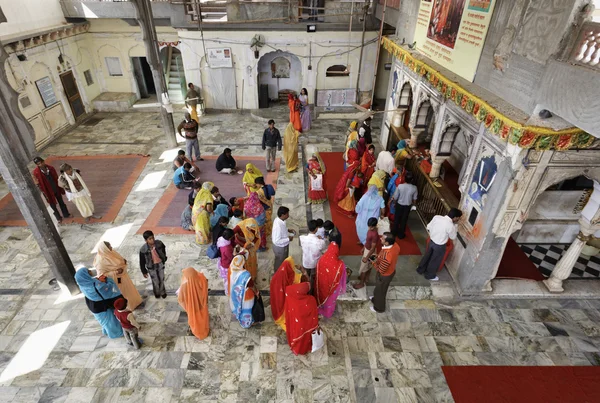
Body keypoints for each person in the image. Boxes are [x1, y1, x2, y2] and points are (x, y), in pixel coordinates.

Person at [74, 267, 123, 339]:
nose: (90, 271)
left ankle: (106, 331)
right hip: (101, 307)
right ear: (85, 275)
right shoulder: (96, 286)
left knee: (104, 320)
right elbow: (109, 290)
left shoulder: (83, 284)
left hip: (93, 305)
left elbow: (95, 282)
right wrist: (108, 280)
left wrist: (98, 280)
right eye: (88, 271)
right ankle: (116, 334)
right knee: (109, 321)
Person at [94, 241, 142, 310]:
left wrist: (123, 261)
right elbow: (101, 276)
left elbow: (119, 258)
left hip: (123, 276)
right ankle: (128, 306)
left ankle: (135, 302)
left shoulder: (110, 252)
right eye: (109, 247)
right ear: (105, 249)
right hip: (117, 279)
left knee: (129, 289)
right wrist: (116, 272)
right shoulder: (100, 261)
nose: (111, 248)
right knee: (124, 292)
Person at [417, 208, 462, 281]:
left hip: (431, 241)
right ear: (455, 217)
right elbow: (453, 237)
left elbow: (428, 226)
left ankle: (420, 269)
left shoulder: (437, 217)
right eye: (458, 218)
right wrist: (455, 227)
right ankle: (429, 275)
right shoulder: (450, 225)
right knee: (435, 260)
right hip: (440, 245)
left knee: (427, 256)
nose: (458, 219)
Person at [270, 256, 304, 331]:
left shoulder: (278, 275)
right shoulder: (289, 277)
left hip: (277, 300)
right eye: (292, 265)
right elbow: (296, 282)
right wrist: (303, 271)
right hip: (284, 301)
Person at [284, 282, 319, 356]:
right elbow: (314, 313)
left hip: (296, 325)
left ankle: (297, 348)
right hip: (308, 325)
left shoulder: (290, 298)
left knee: (298, 338)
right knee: (306, 338)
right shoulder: (311, 299)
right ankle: (305, 349)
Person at [32, 157, 70, 222]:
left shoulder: (51, 168)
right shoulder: (36, 173)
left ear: (44, 161)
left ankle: (66, 214)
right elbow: (37, 182)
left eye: (41, 162)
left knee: (61, 202)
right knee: (52, 205)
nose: (41, 165)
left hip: (56, 188)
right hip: (47, 192)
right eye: (39, 164)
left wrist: (60, 187)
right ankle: (58, 218)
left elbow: (56, 177)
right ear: (37, 165)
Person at [314, 242, 347, 318]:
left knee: (321, 297)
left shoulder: (321, 259)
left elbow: (317, 273)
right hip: (332, 288)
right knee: (330, 301)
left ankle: (320, 308)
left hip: (321, 285)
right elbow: (342, 277)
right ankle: (328, 312)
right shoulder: (340, 264)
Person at [371, 232, 401, 313]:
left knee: (381, 291)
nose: (380, 238)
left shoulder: (387, 256)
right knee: (378, 289)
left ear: (387, 242)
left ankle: (379, 308)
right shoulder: (395, 246)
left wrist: (373, 262)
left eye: (383, 238)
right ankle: (375, 299)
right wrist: (378, 256)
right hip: (391, 270)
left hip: (384, 275)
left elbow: (381, 270)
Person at [177, 267, 209, 339]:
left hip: (193, 307)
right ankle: (204, 329)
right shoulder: (201, 279)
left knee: (195, 320)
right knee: (203, 317)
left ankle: (198, 331)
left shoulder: (185, 286)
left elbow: (181, 299)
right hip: (202, 304)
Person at [228, 247, 256, 328]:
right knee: (247, 308)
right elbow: (250, 285)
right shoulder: (245, 274)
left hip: (236, 295)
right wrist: (256, 292)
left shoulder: (232, 269)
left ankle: (239, 316)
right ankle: (246, 323)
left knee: (239, 307)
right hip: (246, 296)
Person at [139, 230, 168, 299]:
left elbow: (163, 249)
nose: (152, 240)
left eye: (153, 238)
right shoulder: (143, 250)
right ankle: (157, 293)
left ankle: (163, 292)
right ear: (146, 240)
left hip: (160, 264)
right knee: (155, 281)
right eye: (150, 239)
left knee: (161, 279)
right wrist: (144, 271)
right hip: (151, 267)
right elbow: (142, 261)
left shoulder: (159, 244)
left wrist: (164, 257)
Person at [353, 217, 380, 289]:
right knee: (369, 265)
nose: (369, 228)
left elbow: (373, 247)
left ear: (375, 226)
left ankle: (361, 283)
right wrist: (364, 247)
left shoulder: (374, 234)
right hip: (367, 249)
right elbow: (368, 241)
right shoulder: (369, 231)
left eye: (371, 227)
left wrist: (367, 257)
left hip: (370, 251)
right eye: (369, 226)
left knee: (364, 268)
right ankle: (367, 277)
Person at [391, 172, 418, 239]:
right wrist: (413, 205)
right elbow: (414, 199)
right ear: (412, 180)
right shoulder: (414, 188)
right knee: (404, 220)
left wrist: (394, 203)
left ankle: (394, 233)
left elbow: (395, 197)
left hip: (399, 205)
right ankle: (401, 234)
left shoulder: (400, 186)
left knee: (396, 218)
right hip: (407, 206)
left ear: (404, 178)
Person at [272, 206, 296, 272]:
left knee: (284, 259)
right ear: (282, 215)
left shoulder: (280, 220)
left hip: (284, 245)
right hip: (280, 248)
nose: (288, 215)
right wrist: (288, 239)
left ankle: (284, 269)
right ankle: (278, 273)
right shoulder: (278, 227)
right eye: (287, 214)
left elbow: (283, 229)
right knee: (279, 261)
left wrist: (288, 230)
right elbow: (276, 241)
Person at [217, 228, 235, 292]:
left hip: (223, 261)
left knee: (226, 278)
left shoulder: (221, 240)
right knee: (228, 279)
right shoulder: (227, 248)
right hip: (226, 264)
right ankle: (228, 291)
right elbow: (231, 258)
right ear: (229, 238)